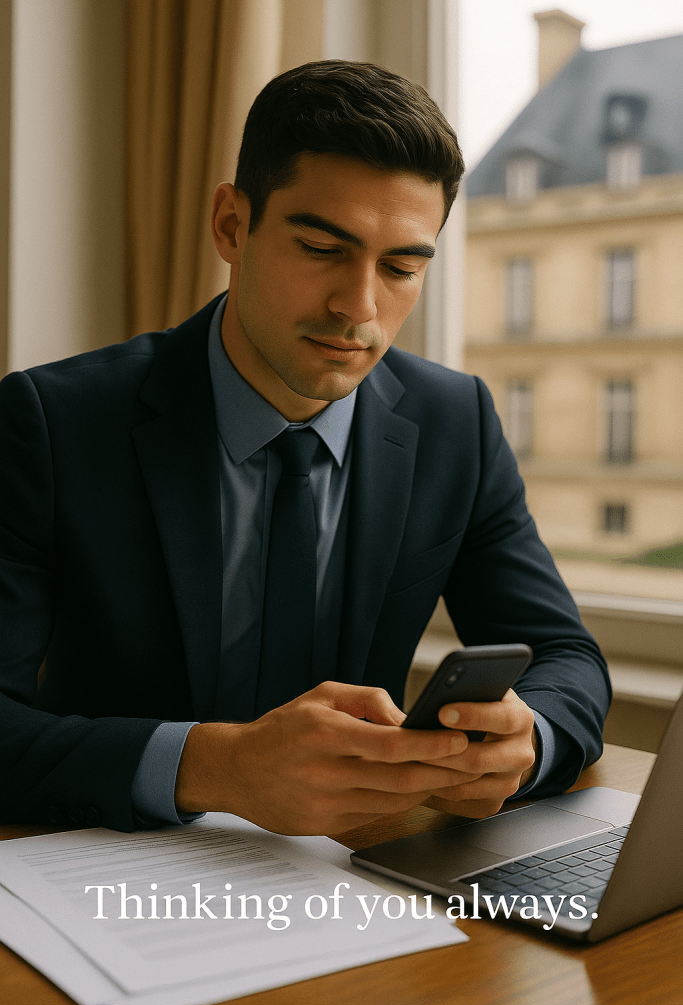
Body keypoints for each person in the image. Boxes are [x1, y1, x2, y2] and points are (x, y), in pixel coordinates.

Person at [0, 61, 610, 836]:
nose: (358, 308)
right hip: (114, 871)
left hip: (357, 875)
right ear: (231, 225)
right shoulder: (51, 422)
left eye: (399, 267)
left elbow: (566, 655)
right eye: (322, 247)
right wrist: (216, 767)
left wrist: (530, 742)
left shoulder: (455, 419)